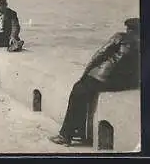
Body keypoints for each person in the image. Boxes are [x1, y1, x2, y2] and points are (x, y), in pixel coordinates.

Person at [48, 18, 141, 146]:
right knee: (85, 93)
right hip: (124, 84)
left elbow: (99, 55)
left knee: (78, 90)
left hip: (104, 78)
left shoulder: (120, 37)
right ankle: (79, 133)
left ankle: (66, 135)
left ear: (128, 29)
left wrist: (85, 73)